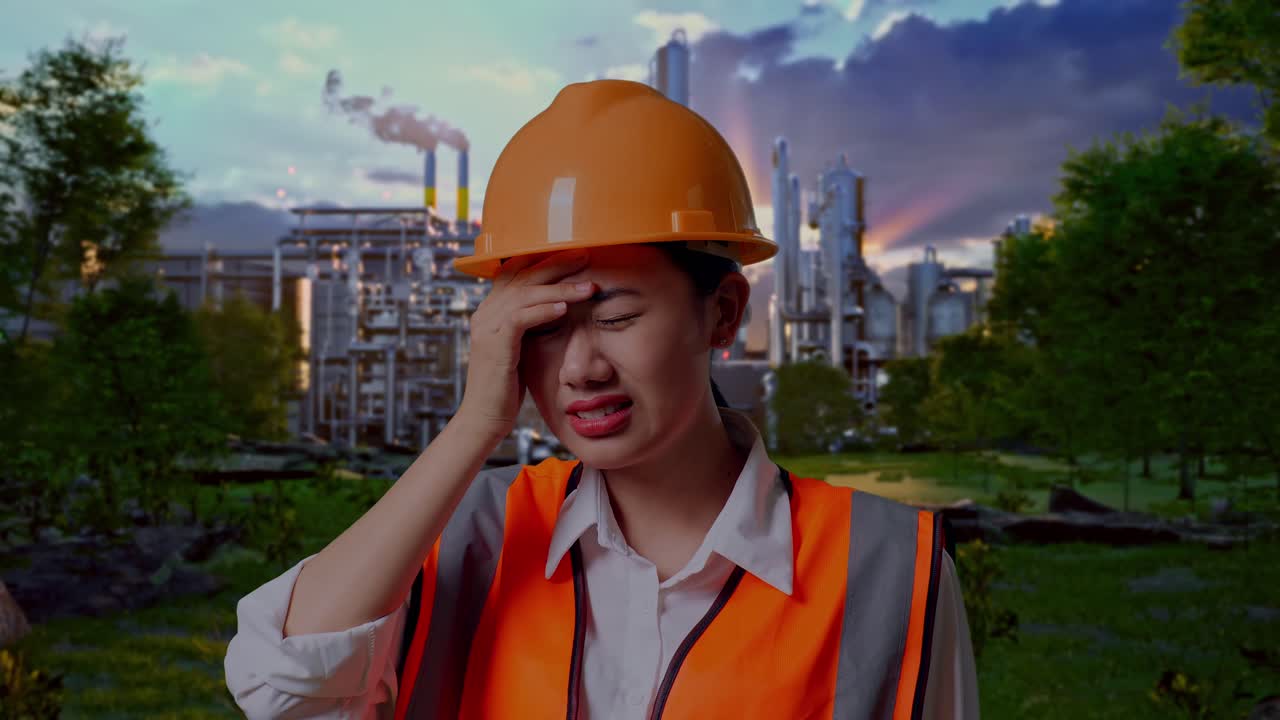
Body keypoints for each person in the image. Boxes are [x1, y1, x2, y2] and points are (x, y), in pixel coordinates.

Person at [224, 79, 979, 719]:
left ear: (722, 313)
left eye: (616, 316)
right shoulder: (468, 536)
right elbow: (278, 687)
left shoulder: (886, 566)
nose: (581, 367)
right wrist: (471, 427)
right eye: (545, 327)